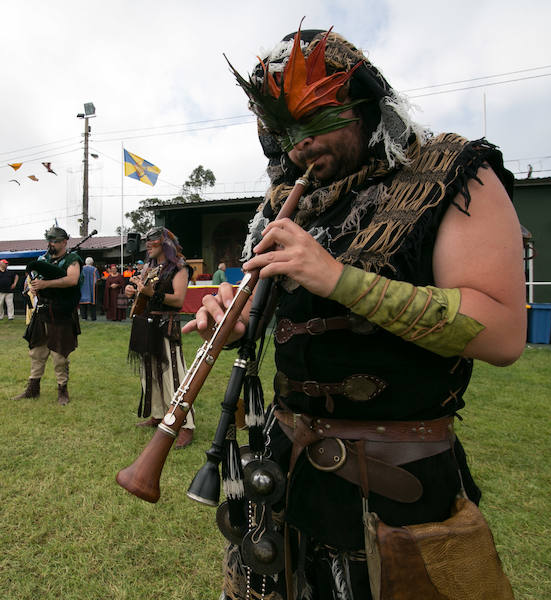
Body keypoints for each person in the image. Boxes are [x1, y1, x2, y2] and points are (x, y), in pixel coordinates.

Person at [183, 27, 526, 599]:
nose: (300, 147)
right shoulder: (287, 201)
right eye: (285, 132)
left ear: (366, 104)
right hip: (283, 469)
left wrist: (338, 277)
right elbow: (279, 309)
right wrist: (239, 318)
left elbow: (503, 332)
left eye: (317, 120)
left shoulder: (450, 173)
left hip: (397, 478)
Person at [126, 227, 194, 449]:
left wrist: (151, 293)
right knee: (150, 373)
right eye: (147, 241)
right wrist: (132, 291)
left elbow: (178, 300)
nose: (148, 245)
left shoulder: (179, 267)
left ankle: (185, 425)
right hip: (146, 325)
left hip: (166, 326)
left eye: (153, 241)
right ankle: (158, 414)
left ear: (165, 243)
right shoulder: (149, 267)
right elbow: (142, 296)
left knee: (174, 376)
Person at [13, 226, 82, 405]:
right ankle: (33, 388)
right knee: (36, 351)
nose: (51, 244)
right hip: (42, 311)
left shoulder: (72, 260)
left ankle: (62, 390)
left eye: (54, 241)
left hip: (61, 312)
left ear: (64, 241)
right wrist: (34, 286)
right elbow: (33, 277)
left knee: (59, 354)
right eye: (49, 240)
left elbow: (72, 280)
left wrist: (45, 284)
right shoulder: (42, 259)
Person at [79, 257, 99, 321]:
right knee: (92, 304)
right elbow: (97, 279)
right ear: (92, 262)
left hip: (82, 288)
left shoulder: (81, 269)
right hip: (91, 289)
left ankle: (84, 317)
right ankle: (93, 318)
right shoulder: (94, 269)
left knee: (82, 304)